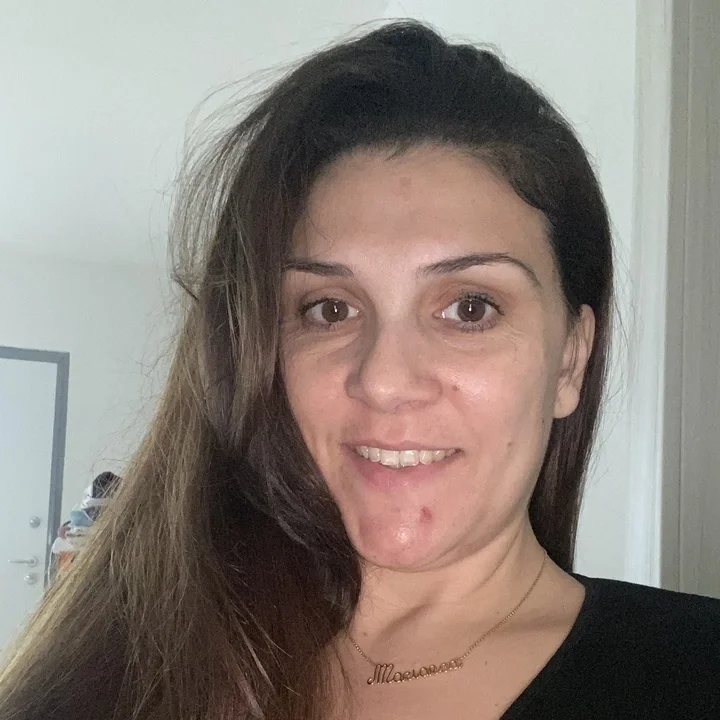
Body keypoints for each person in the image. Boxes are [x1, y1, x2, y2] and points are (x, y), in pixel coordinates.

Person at [0, 19, 718, 720]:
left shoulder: (694, 672)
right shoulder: (126, 668)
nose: (384, 380)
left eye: (469, 308)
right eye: (330, 309)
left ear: (570, 360)